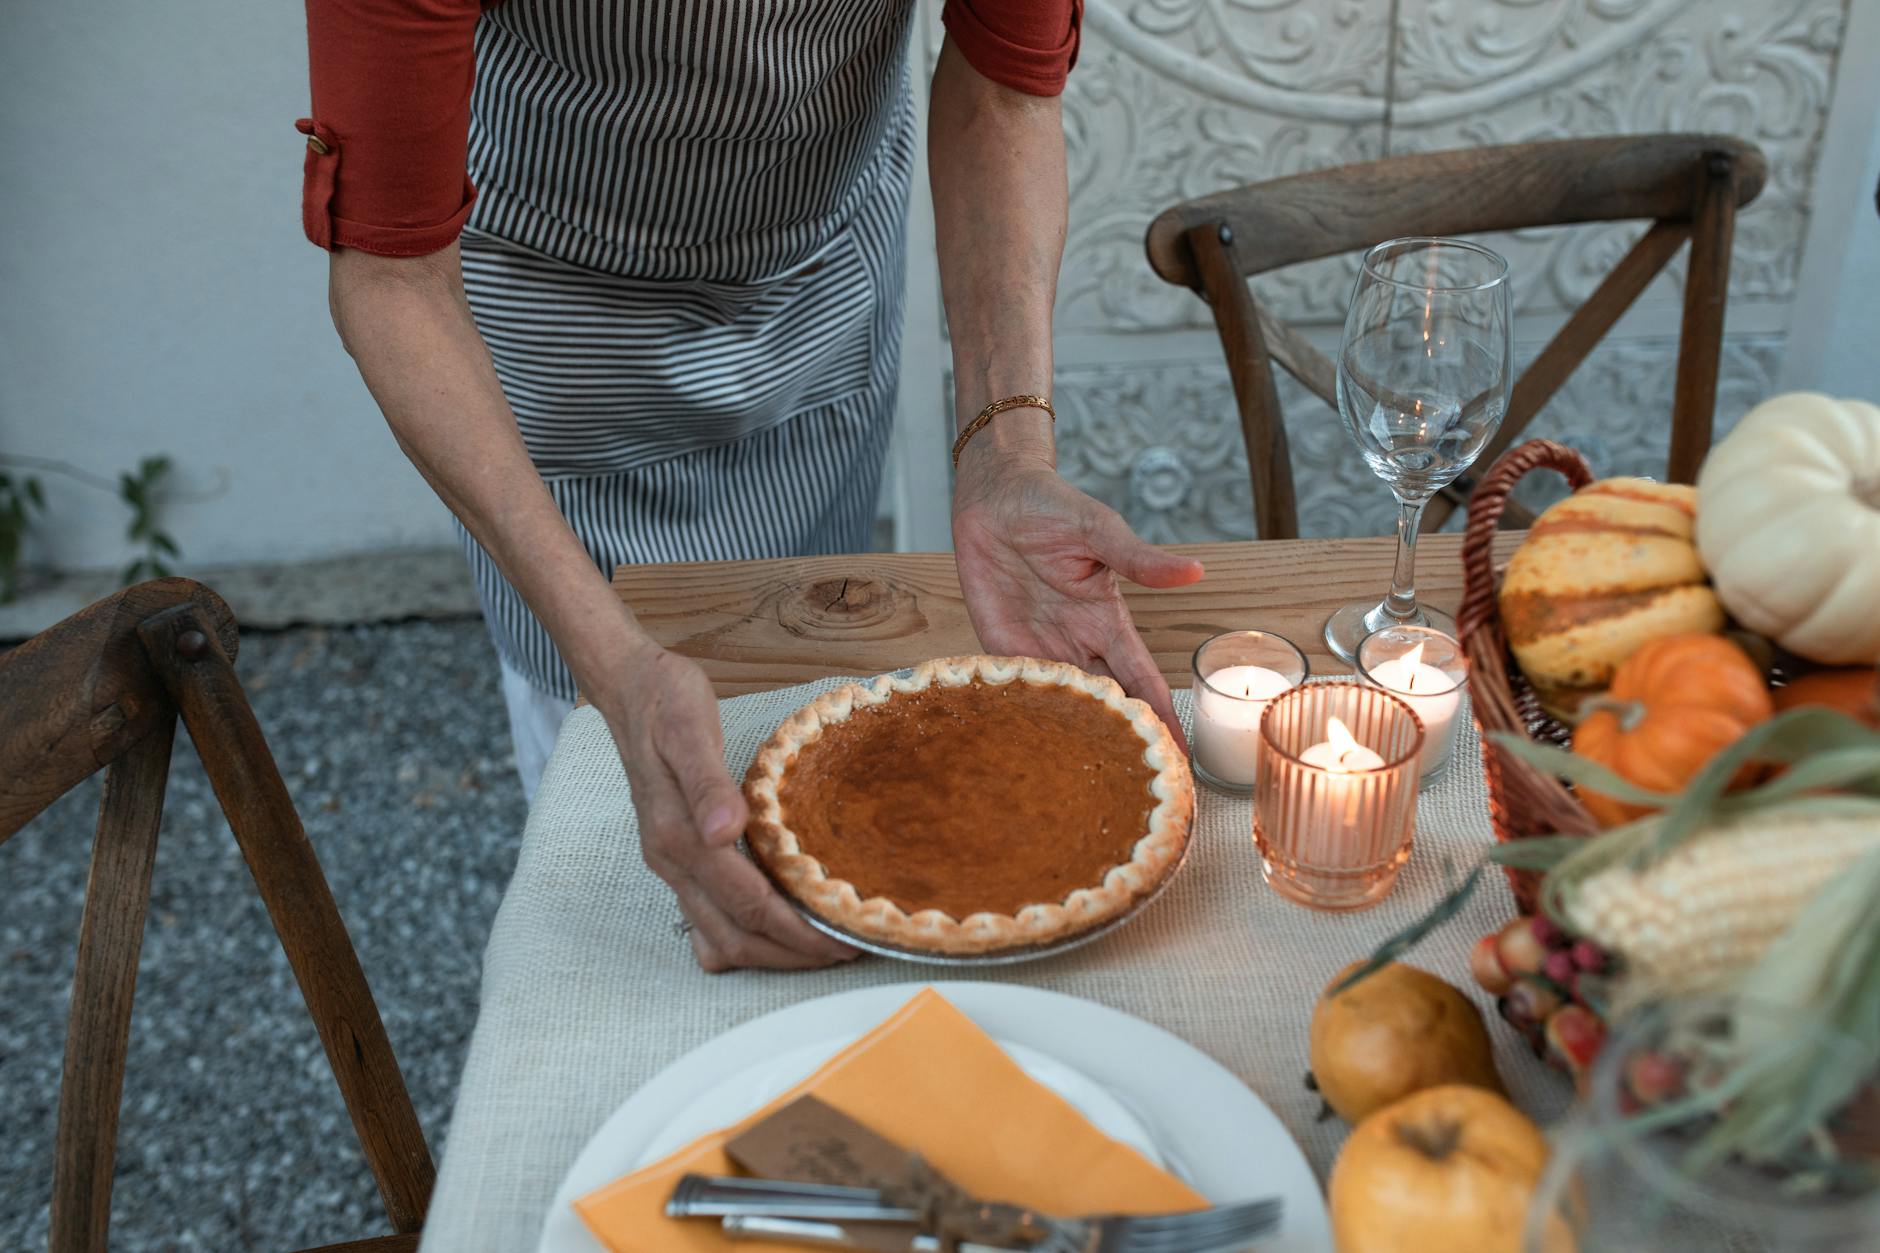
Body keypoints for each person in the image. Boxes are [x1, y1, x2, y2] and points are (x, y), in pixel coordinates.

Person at [300, 0, 1204, 972]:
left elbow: (1001, 94)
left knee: (812, 680)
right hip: (556, 308)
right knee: (626, 831)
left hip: (820, 275)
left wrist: (1007, 452)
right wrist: (614, 669)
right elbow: (391, 280)